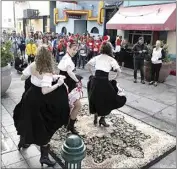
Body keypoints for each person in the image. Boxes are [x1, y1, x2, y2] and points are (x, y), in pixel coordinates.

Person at [13, 45, 70, 167]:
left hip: (29, 96)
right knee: (44, 126)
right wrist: (58, 84)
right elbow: (45, 90)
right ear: (48, 57)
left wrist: (54, 77)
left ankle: (23, 141)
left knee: (28, 119)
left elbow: (23, 77)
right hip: (40, 100)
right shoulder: (47, 71)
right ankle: (44, 157)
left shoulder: (33, 65)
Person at [86, 41, 127, 127]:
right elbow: (119, 71)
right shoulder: (111, 59)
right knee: (107, 100)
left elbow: (88, 65)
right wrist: (114, 78)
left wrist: (92, 74)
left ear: (101, 48)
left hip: (95, 81)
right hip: (104, 82)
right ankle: (102, 119)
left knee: (95, 98)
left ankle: (96, 115)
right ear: (110, 49)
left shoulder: (97, 57)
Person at [58, 39, 83, 134]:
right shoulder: (67, 59)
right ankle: (70, 126)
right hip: (67, 84)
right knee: (77, 105)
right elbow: (69, 72)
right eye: (73, 49)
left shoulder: (66, 57)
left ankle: (68, 124)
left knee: (70, 105)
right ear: (68, 48)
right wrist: (77, 81)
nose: (75, 51)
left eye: (76, 50)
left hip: (66, 83)